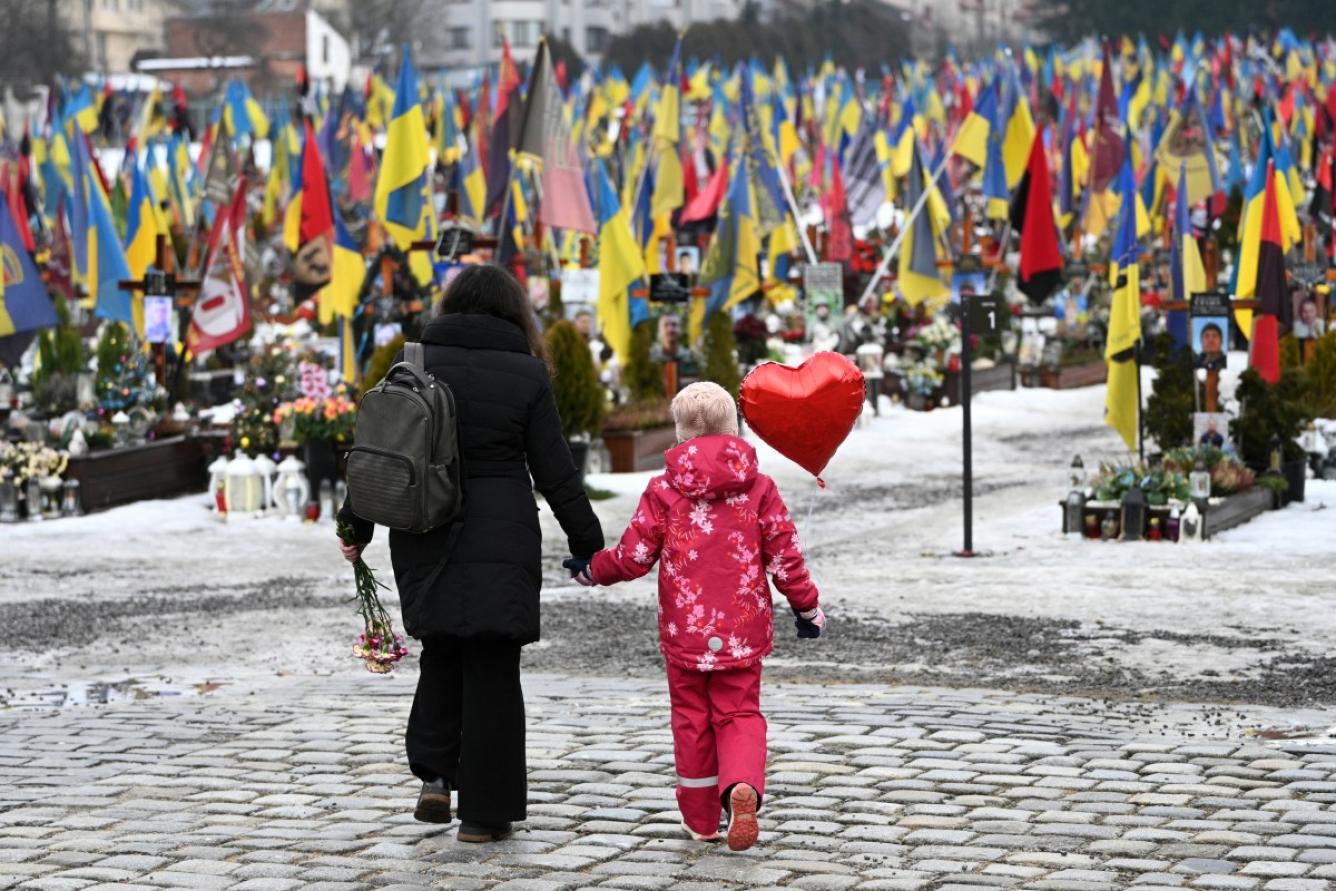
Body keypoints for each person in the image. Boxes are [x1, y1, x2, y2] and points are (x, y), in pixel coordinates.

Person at [338, 264, 604, 843]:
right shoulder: (527, 373)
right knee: (492, 665)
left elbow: (380, 448)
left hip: (425, 530)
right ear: (514, 312)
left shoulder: (416, 362)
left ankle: (435, 777)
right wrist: (588, 542)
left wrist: (354, 523)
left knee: (441, 651)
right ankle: (484, 817)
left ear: (452, 306)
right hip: (501, 535)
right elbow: (556, 471)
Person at [563, 382, 825, 851]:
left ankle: (702, 819)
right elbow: (785, 555)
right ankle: (741, 786)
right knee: (739, 712)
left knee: (691, 719)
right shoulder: (760, 487)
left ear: (681, 431)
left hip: (685, 630)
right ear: (733, 427)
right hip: (743, 629)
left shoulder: (664, 488)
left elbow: (634, 555)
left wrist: (591, 571)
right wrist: (806, 606)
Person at [650, 313, 701, 380]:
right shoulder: (652, 360)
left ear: (681, 330)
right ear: (659, 331)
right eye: (665, 325)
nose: (670, 329)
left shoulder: (691, 358)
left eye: (674, 325)